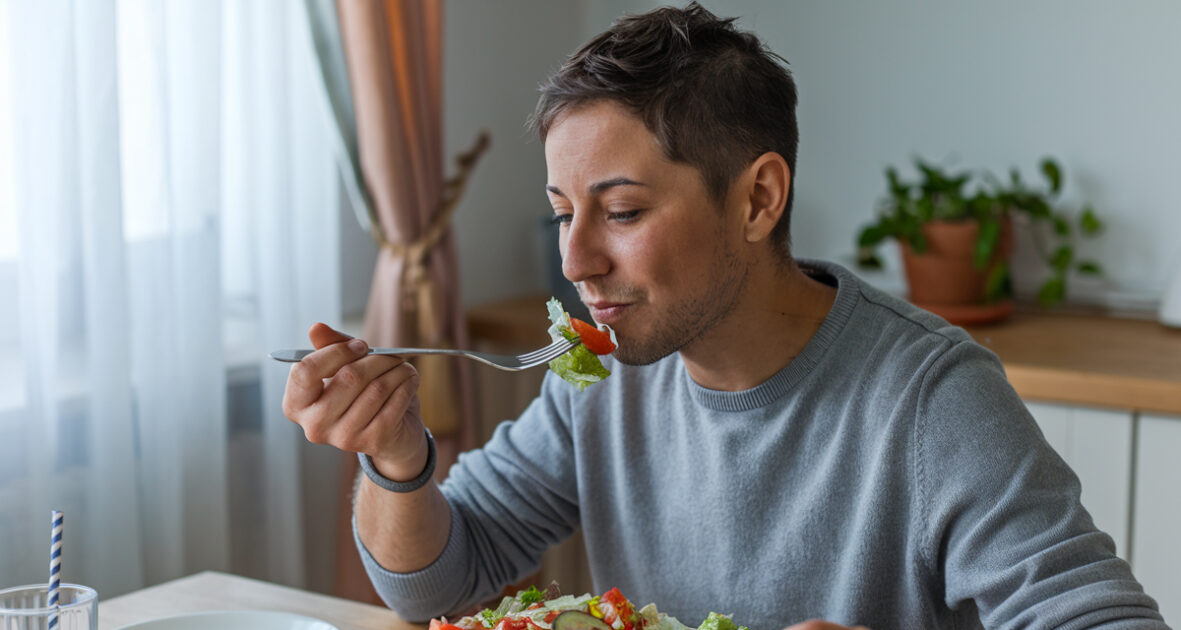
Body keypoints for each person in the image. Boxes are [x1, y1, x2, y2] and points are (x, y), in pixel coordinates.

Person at [281, 4, 1168, 629]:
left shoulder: (931, 400)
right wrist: (398, 460)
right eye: (563, 211)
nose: (575, 260)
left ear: (757, 199)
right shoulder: (603, 376)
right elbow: (434, 582)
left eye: (621, 212)